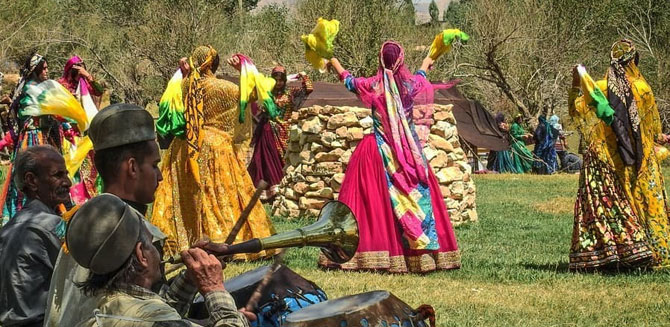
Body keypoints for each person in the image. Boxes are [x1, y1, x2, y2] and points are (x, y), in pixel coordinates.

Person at [319, 41, 460, 273]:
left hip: (377, 151)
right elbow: (421, 79)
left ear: (380, 60)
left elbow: (348, 80)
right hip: (407, 154)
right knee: (413, 198)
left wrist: (332, 59)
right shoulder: (410, 84)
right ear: (401, 61)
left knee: (374, 204)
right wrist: (425, 63)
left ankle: (371, 252)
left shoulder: (373, 85)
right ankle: (419, 255)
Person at [44, 103, 167, 326]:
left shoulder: (83, 221)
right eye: (155, 165)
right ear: (132, 167)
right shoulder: (131, 235)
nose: (160, 176)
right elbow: (150, 316)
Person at [151, 45, 277, 259]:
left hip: (185, 148)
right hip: (217, 147)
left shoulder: (182, 87)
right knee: (219, 193)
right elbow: (254, 94)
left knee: (186, 195)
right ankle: (226, 242)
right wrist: (243, 70)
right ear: (213, 64)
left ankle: (185, 240)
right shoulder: (226, 88)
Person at [66, 193, 250, 326]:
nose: (157, 252)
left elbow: (160, 311)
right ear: (142, 255)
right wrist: (214, 289)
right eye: (152, 245)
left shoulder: (109, 305)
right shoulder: (150, 320)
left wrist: (191, 277)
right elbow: (160, 320)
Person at [568, 64, 653, 271]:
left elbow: (574, 109)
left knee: (596, 204)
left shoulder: (589, 97)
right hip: (619, 158)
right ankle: (632, 246)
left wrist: (575, 83)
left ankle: (602, 252)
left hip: (595, 160)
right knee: (616, 199)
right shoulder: (625, 96)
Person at [597, 39, 670, 269]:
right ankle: (656, 251)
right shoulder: (642, 88)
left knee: (622, 201)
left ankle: (626, 253)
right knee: (649, 201)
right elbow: (653, 128)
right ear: (634, 61)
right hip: (643, 154)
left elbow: (581, 110)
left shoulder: (603, 86)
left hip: (616, 155)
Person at [0, 146, 72, 326]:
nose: (68, 182)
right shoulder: (50, 227)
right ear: (32, 181)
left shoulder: (8, 228)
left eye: (66, 174)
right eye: (58, 175)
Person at [245, 65, 313, 200]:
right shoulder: (266, 92)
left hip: (285, 131)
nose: (278, 83)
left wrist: (303, 75)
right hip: (268, 130)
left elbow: (309, 88)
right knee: (264, 160)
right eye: (275, 79)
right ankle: (267, 191)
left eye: (281, 80)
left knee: (284, 160)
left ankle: (283, 188)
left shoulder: (291, 93)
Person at [57, 55, 103, 204]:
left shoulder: (84, 84)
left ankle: (89, 196)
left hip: (86, 134)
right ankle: (73, 199)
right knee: (73, 168)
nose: (79, 73)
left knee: (89, 167)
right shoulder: (62, 86)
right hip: (69, 133)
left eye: (82, 67)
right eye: (77, 69)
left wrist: (88, 76)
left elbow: (99, 91)